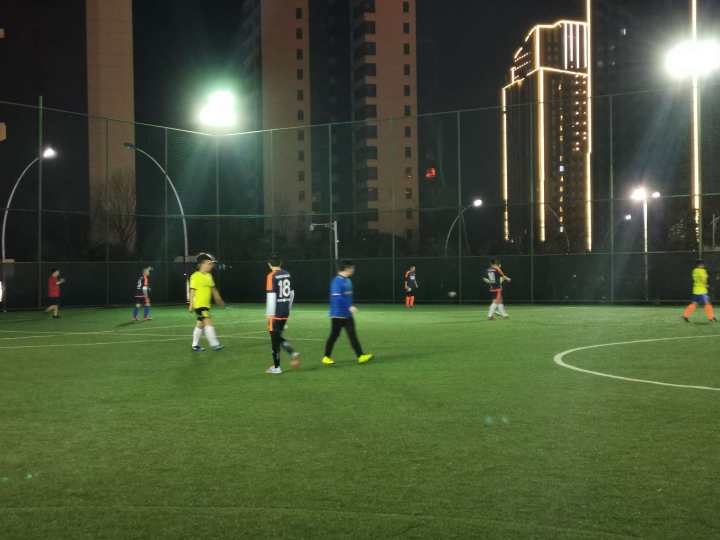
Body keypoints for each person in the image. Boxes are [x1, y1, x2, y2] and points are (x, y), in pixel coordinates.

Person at [322, 260, 374, 365]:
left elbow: (346, 297)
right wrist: (349, 306)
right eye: (352, 268)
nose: (353, 270)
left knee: (352, 335)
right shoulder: (337, 281)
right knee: (334, 335)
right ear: (346, 268)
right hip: (337, 314)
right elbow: (337, 297)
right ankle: (326, 357)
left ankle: (360, 356)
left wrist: (350, 307)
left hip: (347, 314)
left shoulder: (348, 281)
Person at [265, 255, 301, 374]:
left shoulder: (271, 276)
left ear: (269, 264)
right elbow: (292, 293)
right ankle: (289, 355)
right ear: (280, 263)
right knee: (278, 337)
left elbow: (271, 296)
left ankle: (277, 367)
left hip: (275, 313)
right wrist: (288, 309)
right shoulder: (287, 274)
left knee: (274, 339)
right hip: (285, 311)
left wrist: (269, 314)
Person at [188, 253, 225, 352]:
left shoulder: (209, 276)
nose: (211, 266)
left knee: (200, 324)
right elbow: (192, 291)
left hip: (206, 305)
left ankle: (195, 345)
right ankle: (214, 344)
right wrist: (191, 304)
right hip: (199, 305)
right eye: (209, 263)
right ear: (201, 264)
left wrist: (218, 299)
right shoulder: (195, 276)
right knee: (208, 321)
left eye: (212, 264)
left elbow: (213, 289)